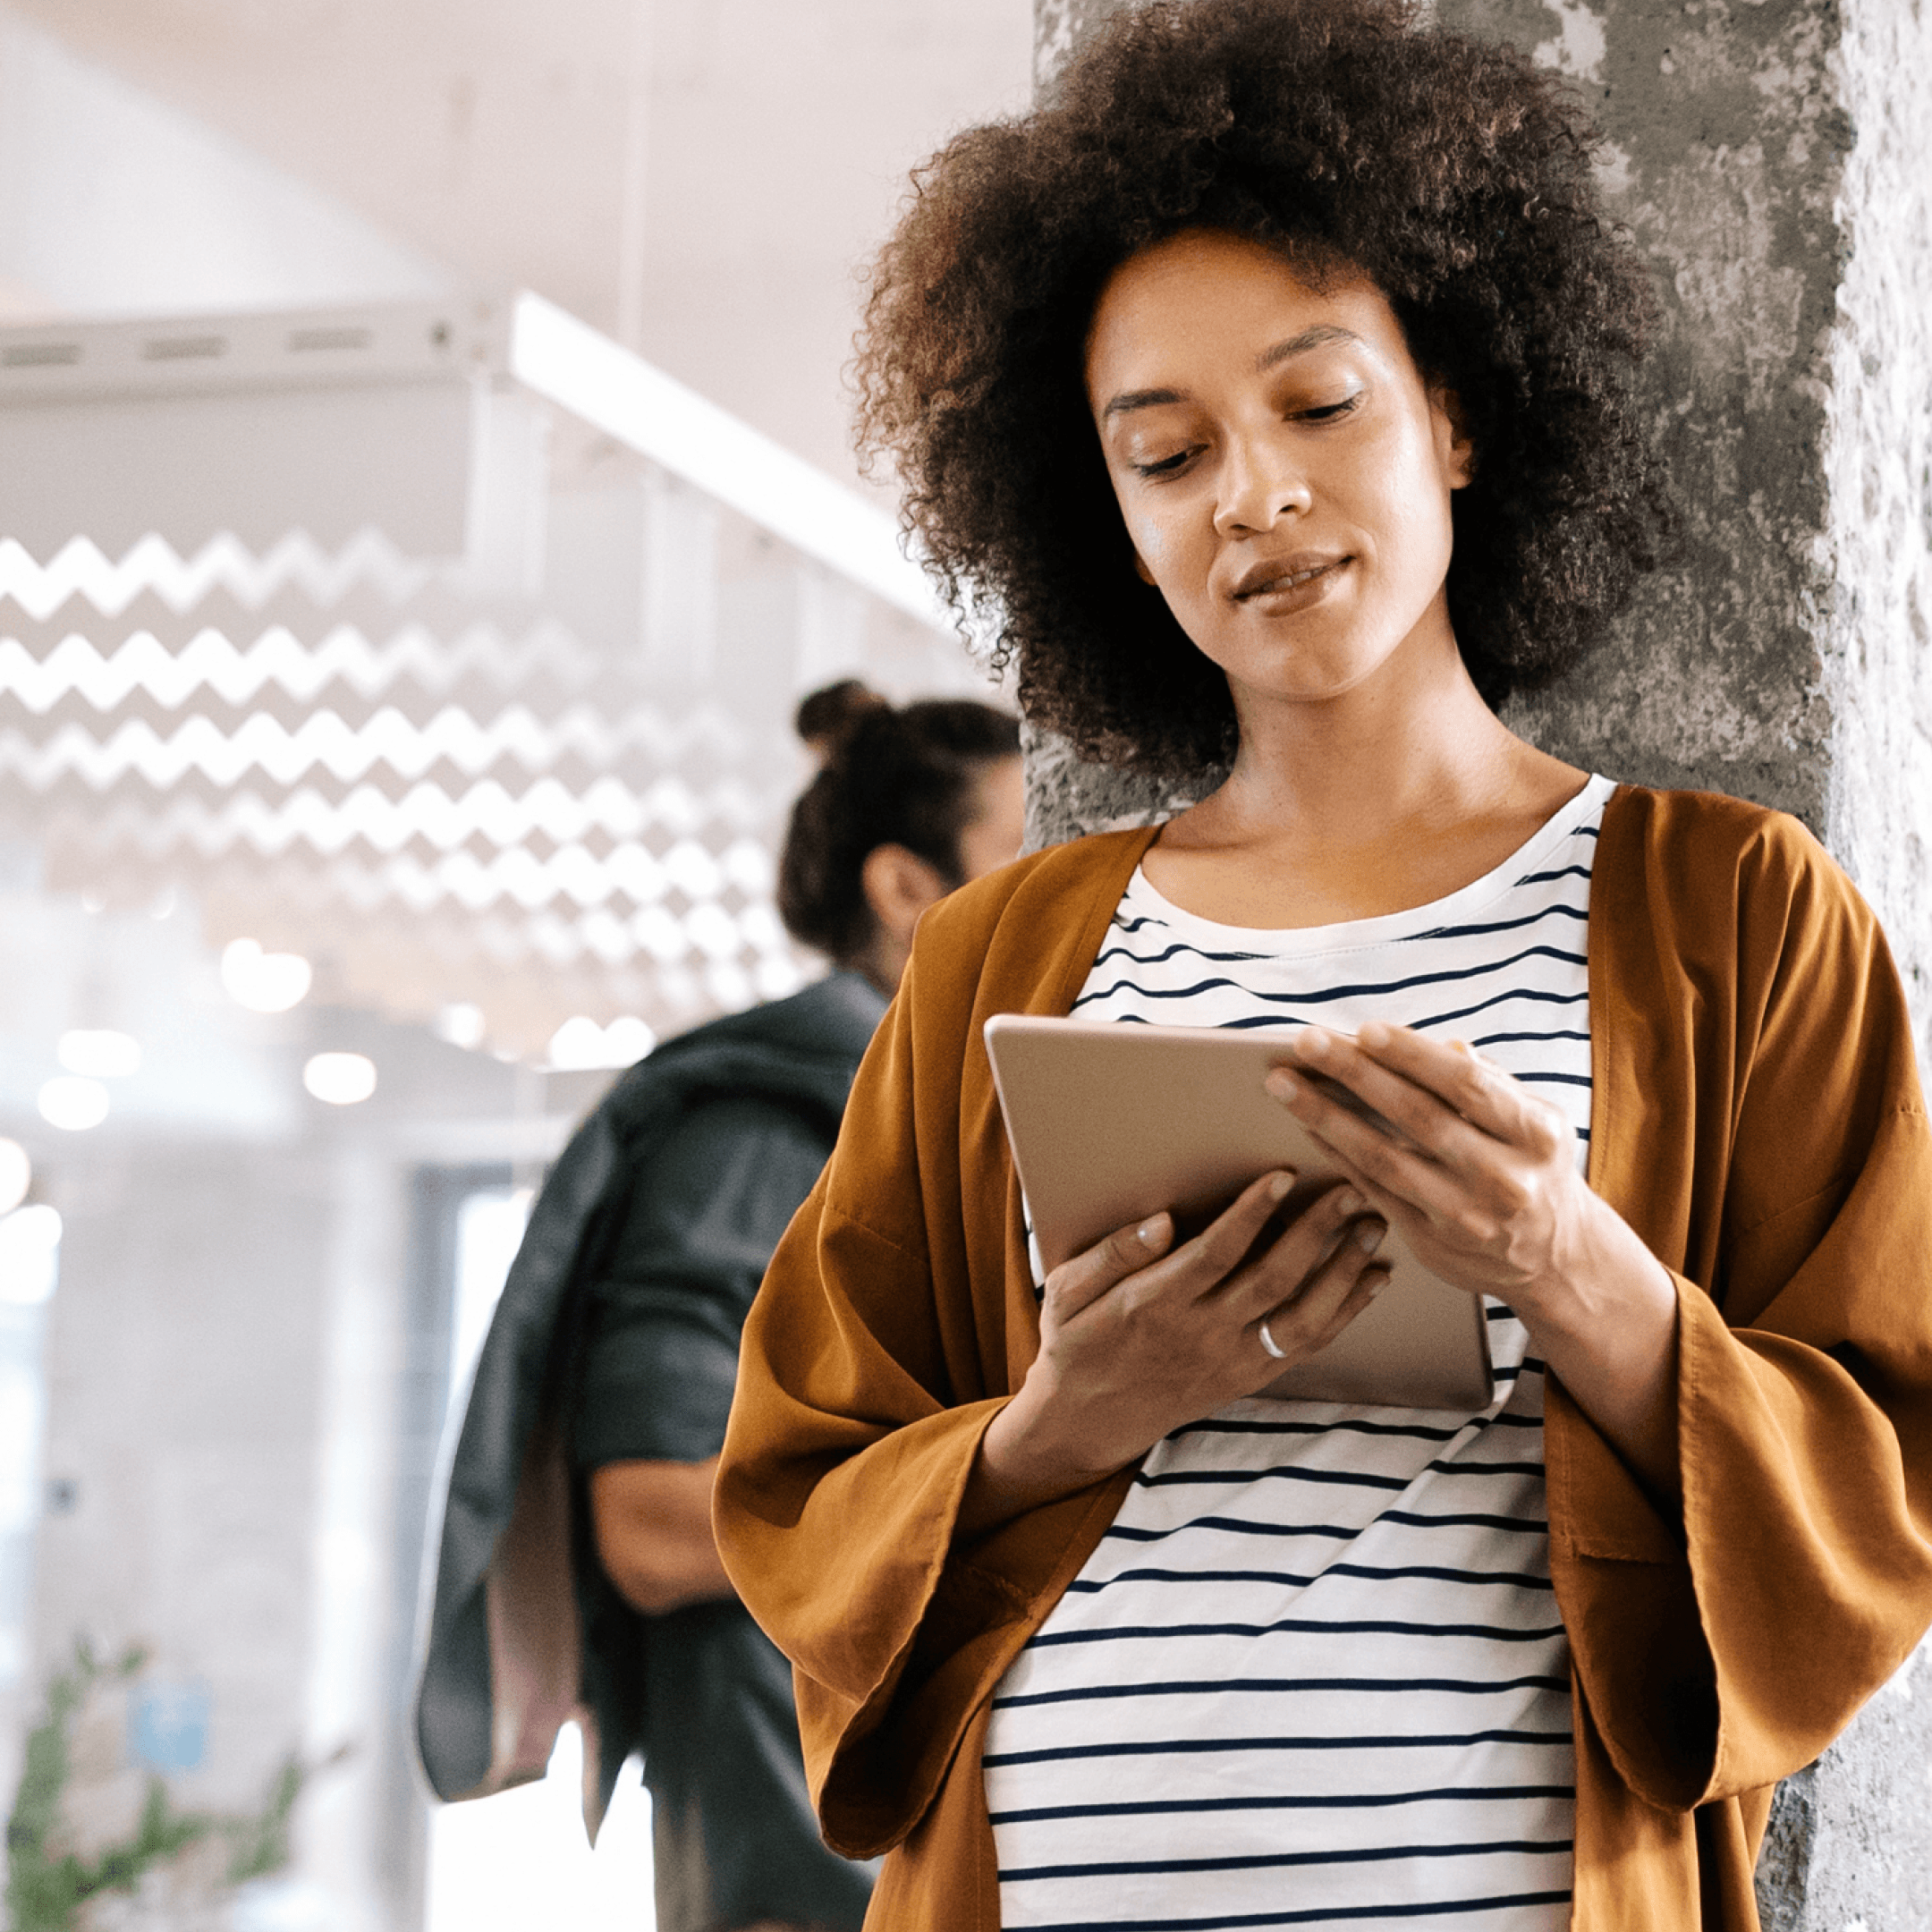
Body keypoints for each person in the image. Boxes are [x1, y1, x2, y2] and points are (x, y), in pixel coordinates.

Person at [709, 5, 1932, 1929]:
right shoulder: (997, 963)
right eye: (1164, 452)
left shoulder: (1732, 914)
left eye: (1319, 404)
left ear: (1451, 409)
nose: (1251, 497)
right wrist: (1067, 1416)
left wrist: (1571, 1264)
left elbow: (1885, 1477)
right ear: (1108, 525)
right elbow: (797, 1481)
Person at [414, 681, 1023, 1932]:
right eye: (1031, 856)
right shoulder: (763, 1134)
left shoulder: (933, 1128)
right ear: (906, 888)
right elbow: (646, 1523)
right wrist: (1005, 1482)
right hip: (795, 1847)